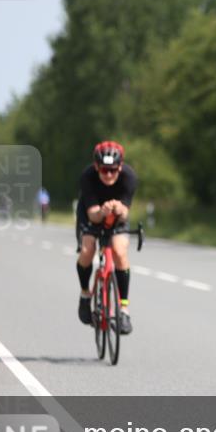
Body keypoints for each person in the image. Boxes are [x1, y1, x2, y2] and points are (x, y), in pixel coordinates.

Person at [75, 141, 138, 334]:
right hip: (91, 214)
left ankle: (124, 309)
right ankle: (85, 294)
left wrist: (119, 210)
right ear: (96, 167)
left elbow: (126, 213)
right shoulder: (87, 177)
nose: (109, 175)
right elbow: (93, 215)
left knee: (119, 251)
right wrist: (102, 212)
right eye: (104, 170)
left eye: (113, 170)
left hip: (117, 218)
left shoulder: (129, 177)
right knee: (87, 250)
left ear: (120, 167)